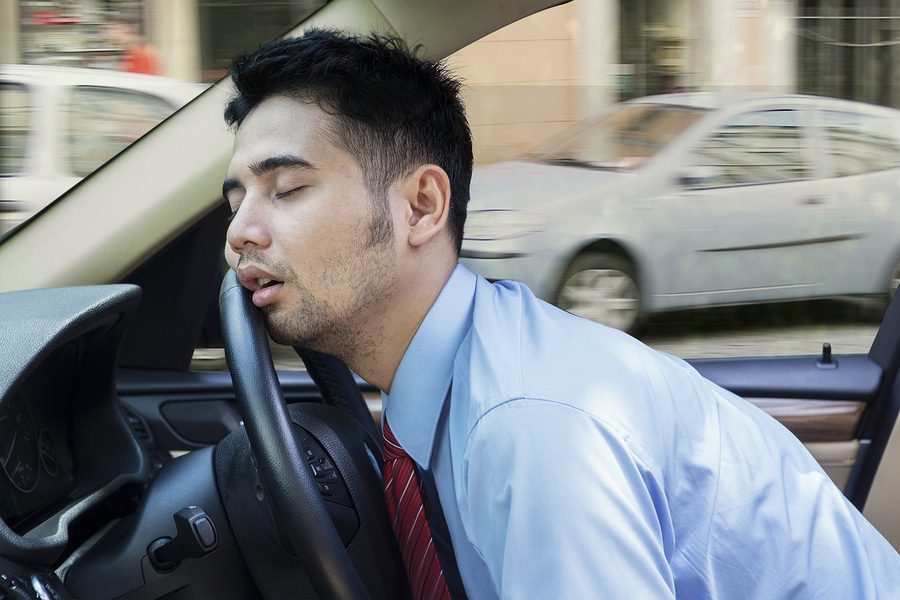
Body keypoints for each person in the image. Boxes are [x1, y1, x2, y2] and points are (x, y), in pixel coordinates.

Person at [221, 29, 900, 598]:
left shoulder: (531, 425)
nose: (240, 232)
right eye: (236, 200)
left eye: (286, 189)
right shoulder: (452, 377)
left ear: (422, 206)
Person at [105, 10, 161, 75]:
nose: (107, 33)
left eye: (112, 28)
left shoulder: (142, 54)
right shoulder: (131, 52)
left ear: (126, 28)